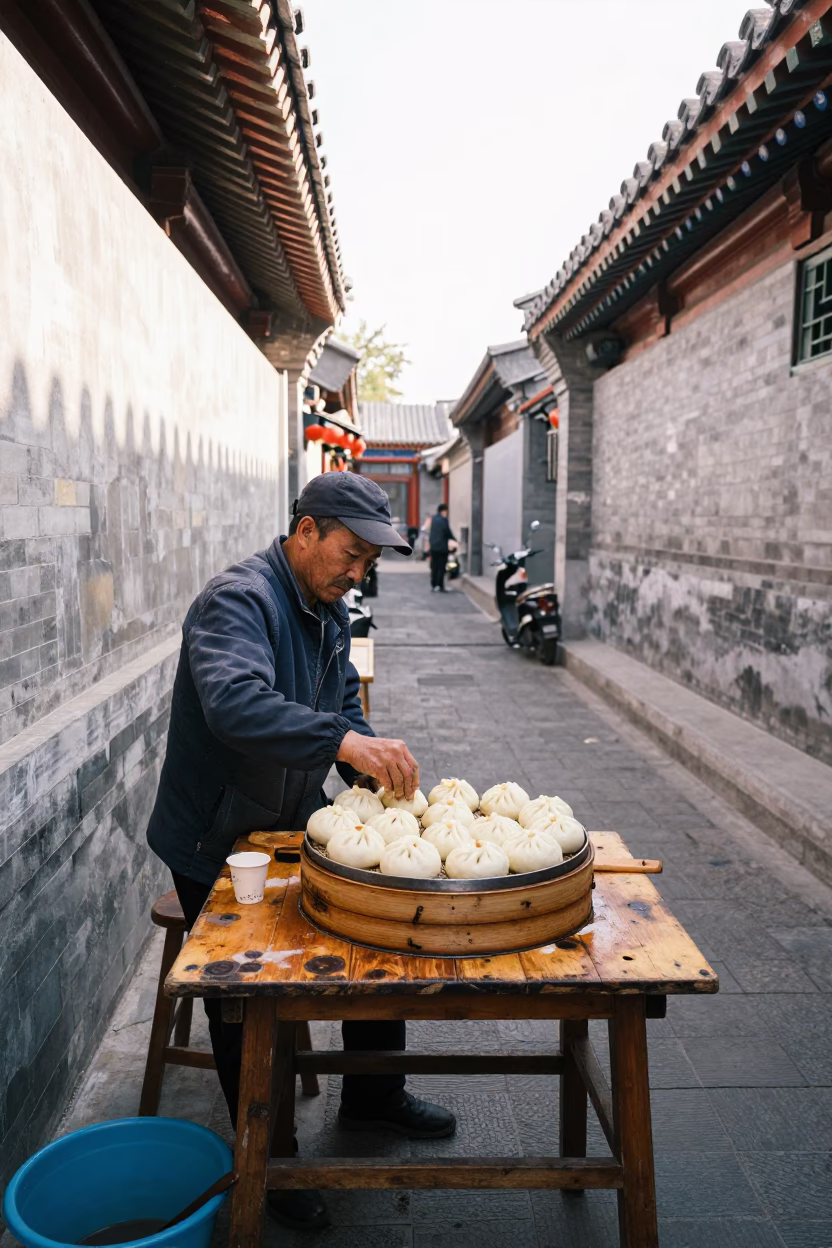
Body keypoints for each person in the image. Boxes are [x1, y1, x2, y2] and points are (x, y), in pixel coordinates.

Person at [145, 473, 456, 1231]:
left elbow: (343, 699)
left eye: (367, 564)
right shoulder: (239, 600)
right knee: (241, 991)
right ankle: (270, 1155)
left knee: (375, 927)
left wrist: (369, 771)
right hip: (216, 837)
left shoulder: (327, 608)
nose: (357, 573)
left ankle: (374, 1093)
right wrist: (342, 739)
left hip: (286, 818)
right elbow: (234, 702)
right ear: (307, 531)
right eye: (349, 554)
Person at [428, 502, 455, 592]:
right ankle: (440, 586)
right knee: (441, 567)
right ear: (443, 511)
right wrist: (455, 540)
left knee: (434, 567)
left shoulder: (434, 519)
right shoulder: (444, 520)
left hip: (434, 547)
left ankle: (434, 584)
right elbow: (447, 532)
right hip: (442, 548)